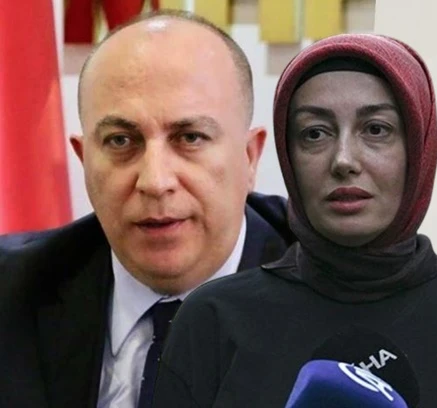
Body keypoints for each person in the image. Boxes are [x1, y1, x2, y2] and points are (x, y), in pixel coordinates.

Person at [151, 33, 437, 408]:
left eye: (376, 129)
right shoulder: (213, 319)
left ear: (418, 148)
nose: (344, 160)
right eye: (315, 133)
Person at [0, 10, 295, 408]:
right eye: (121, 141)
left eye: (190, 138)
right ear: (84, 160)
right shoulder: (13, 292)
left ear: (249, 157)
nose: (155, 181)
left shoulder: (334, 297)